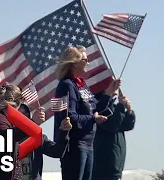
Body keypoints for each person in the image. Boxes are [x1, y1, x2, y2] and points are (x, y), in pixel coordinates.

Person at [53, 46, 121, 180]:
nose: (88, 62)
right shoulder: (66, 85)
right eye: (85, 60)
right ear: (74, 63)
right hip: (74, 146)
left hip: (88, 145)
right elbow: (69, 117)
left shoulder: (80, 84)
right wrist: (93, 119)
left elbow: (94, 108)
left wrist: (109, 92)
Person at [18, 103, 72, 180]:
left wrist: (64, 132)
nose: (22, 117)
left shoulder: (38, 138)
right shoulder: (5, 134)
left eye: (25, 114)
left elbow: (57, 152)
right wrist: (32, 123)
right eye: (18, 114)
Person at [92, 90, 136, 180]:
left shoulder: (114, 107)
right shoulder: (99, 108)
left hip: (116, 165)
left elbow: (128, 126)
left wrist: (129, 111)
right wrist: (120, 106)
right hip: (103, 165)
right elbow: (112, 126)